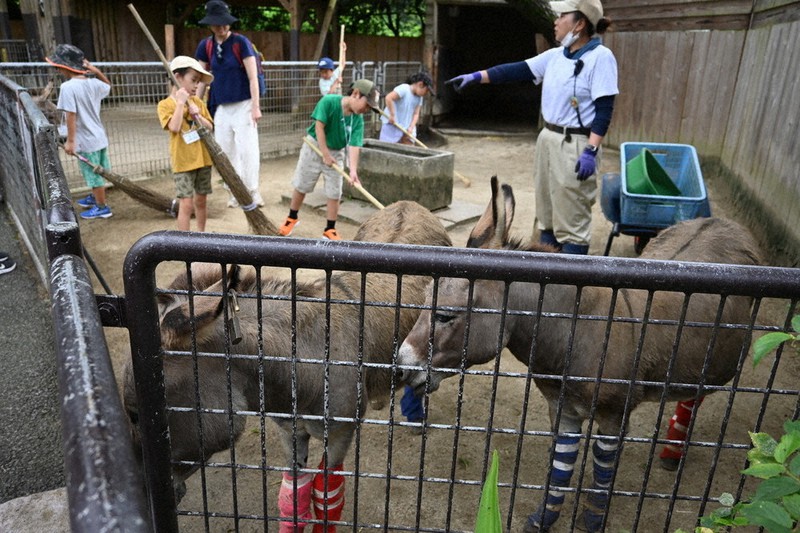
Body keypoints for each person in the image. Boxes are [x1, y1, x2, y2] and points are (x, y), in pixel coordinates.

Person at [447, 0, 617, 255]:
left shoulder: (600, 58)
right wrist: (477, 76)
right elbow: (517, 70)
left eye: (562, 16)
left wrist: (591, 150)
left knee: (572, 219)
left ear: (580, 24)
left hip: (576, 144)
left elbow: (604, 109)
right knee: (546, 214)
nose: (556, 21)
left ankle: (572, 275)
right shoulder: (556, 56)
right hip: (548, 138)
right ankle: (547, 273)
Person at [279, 79, 379, 241]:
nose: (366, 110)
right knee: (302, 183)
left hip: (336, 151)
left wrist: (353, 171)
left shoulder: (357, 119)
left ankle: (330, 229)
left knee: (335, 191)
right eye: (367, 105)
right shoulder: (329, 101)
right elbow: (319, 126)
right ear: (356, 94)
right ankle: (292, 218)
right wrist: (325, 154)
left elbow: (354, 144)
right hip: (315, 146)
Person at [194, 0, 263, 209]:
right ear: (210, 25)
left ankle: (252, 191)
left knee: (247, 149)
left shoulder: (240, 43)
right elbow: (201, 79)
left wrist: (256, 106)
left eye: (224, 23)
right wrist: (196, 106)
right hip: (221, 106)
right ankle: (234, 191)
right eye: (217, 24)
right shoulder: (206, 46)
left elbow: (253, 77)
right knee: (225, 151)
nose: (221, 27)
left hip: (244, 104)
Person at [47, 43, 114, 220]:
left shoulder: (68, 87)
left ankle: (102, 207)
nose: (58, 70)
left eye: (58, 66)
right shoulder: (94, 83)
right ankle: (96, 197)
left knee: (94, 175)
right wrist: (96, 71)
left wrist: (70, 141)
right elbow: (107, 86)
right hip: (99, 137)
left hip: (85, 140)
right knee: (98, 171)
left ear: (65, 66)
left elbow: (71, 114)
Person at [158, 57, 215, 232]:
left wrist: (198, 116)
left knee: (201, 200)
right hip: (183, 163)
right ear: (178, 77)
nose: (197, 86)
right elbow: (174, 127)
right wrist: (181, 103)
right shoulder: (165, 105)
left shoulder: (197, 102)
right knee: (186, 203)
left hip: (203, 159)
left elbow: (210, 127)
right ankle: (185, 242)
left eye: (198, 82)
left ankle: (202, 235)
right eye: (193, 80)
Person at [379, 72, 435, 145]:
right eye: (426, 90)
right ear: (420, 84)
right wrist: (392, 115)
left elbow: (416, 113)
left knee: (409, 145)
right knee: (387, 146)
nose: (426, 93)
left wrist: (411, 126)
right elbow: (389, 98)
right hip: (393, 123)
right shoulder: (404, 89)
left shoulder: (419, 98)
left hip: (407, 126)